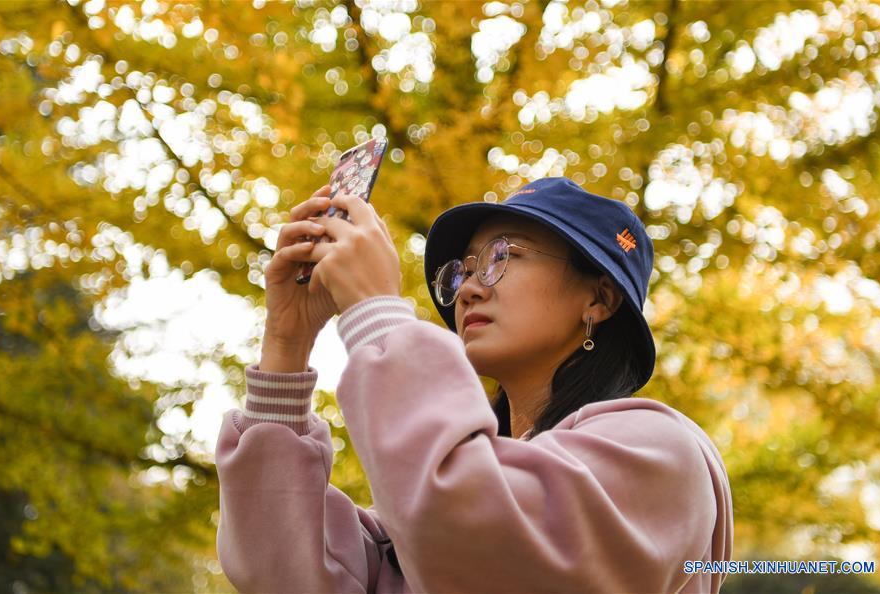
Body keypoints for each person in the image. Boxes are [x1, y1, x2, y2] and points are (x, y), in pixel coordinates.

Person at [215, 176, 734, 593]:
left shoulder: (658, 454)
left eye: (503, 256)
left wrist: (376, 313)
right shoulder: (413, 526)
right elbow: (282, 569)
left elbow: (480, 537)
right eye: (461, 272)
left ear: (598, 299)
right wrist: (286, 344)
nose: (467, 290)